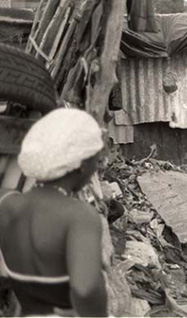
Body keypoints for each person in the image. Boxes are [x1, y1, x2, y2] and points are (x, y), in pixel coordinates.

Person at [0, 108, 108, 317]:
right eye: (96, 157)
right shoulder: (79, 215)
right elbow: (85, 289)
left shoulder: (7, 204)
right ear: (81, 164)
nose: (98, 164)